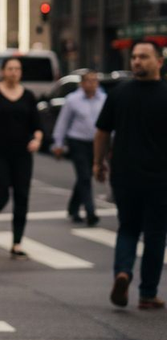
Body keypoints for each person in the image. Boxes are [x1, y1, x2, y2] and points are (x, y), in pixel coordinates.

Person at [95, 41, 167, 310]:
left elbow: (101, 133)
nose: (136, 61)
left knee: (127, 228)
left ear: (159, 61)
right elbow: (102, 132)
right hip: (157, 179)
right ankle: (147, 293)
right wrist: (98, 162)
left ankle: (123, 273)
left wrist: (98, 163)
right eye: (134, 57)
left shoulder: (119, 93)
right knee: (155, 235)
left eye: (144, 57)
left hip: (126, 176)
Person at [0, 57, 44, 260]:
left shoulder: (28, 96)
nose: (14, 72)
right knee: (1, 194)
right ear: (3, 71)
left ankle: (17, 242)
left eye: (17, 69)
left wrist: (37, 140)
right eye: (10, 68)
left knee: (22, 196)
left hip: (22, 153)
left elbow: (37, 126)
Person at [53, 70, 105, 227]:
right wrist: (58, 143)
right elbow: (63, 122)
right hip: (77, 142)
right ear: (82, 84)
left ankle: (73, 207)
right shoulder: (72, 100)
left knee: (86, 176)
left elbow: (108, 125)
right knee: (84, 177)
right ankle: (91, 212)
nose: (92, 83)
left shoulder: (103, 99)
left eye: (95, 80)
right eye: (89, 81)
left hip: (95, 144)